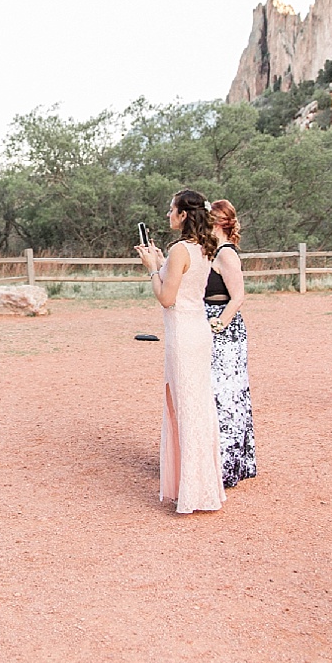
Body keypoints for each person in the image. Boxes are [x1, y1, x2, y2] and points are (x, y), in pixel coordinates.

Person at [135, 189, 226, 514]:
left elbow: (166, 297)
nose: (168, 215)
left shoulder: (179, 250)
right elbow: (183, 281)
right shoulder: (203, 247)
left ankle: (191, 491)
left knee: (185, 407)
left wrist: (150, 267)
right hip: (197, 331)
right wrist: (161, 262)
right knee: (198, 406)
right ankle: (203, 485)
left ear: (184, 214)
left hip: (183, 336)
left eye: (171, 210)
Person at [205, 199, 255, 487]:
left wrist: (218, 324)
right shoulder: (210, 252)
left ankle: (228, 463)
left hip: (224, 330)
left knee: (226, 394)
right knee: (212, 393)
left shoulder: (227, 255)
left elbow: (238, 296)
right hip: (206, 324)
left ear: (217, 222)